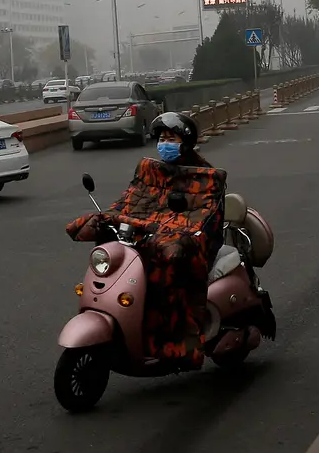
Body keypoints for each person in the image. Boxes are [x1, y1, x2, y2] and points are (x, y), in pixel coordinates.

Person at [64, 111, 222, 370]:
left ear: (185, 142)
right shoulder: (150, 171)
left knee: (168, 278)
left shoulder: (206, 178)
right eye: (161, 138)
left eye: (171, 138)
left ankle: (177, 345)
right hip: (148, 240)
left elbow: (201, 220)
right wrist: (106, 218)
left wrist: (176, 236)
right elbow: (128, 202)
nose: (164, 144)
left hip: (183, 245)